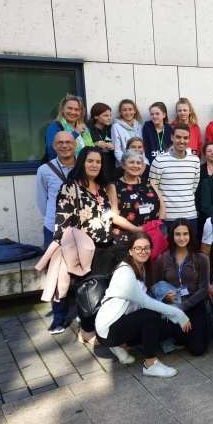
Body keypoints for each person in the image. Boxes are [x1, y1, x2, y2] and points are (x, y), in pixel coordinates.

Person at [53, 147, 136, 340]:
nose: (94, 165)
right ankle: (86, 330)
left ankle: (101, 327)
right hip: (83, 250)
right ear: (82, 162)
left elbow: (110, 216)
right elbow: (62, 223)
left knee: (102, 290)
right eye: (90, 161)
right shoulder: (70, 187)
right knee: (87, 292)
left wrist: (137, 229)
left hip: (105, 247)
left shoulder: (102, 188)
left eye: (98, 162)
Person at [95, 232, 190, 378]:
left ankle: (121, 345)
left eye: (146, 248)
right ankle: (150, 364)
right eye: (138, 248)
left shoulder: (142, 268)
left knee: (160, 323)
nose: (142, 251)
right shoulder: (125, 272)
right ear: (130, 251)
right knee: (151, 315)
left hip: (119, 321)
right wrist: (178, 314)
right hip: (108, 328)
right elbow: (145, 302)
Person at [36, 131, 76, 334]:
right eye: (60, 142)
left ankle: (84, 311)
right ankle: (59, 317)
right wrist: (55, 220)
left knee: (83, 271)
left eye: (68, 142)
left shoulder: (84, 165)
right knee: (56, 273)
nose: (64, 145)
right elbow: (42, 201)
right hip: (54, 230)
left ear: (75, 145)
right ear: (53, 145)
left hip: (80, 229)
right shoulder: (44, 170)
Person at [153, 219, 210, 356]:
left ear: (190, 235)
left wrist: (183, 307)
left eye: (185, 234)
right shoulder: (163, 258)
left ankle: (185, 335)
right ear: (172, 236)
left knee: (198, 349)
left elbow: (204, 289)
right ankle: (175, 335)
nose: (182, 238)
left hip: (194, 304)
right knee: (176, 332)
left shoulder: (201, 258)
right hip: (172, 305)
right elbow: (155, 285)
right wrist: (165, 297)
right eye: (178, 234)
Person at [149, 124, 201, 233]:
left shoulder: (195, 161)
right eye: (178, 137)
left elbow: (193, 187)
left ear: (189, 139)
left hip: (190, 215)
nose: (182, 141)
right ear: (172, 137)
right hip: (167, 218)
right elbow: (153, 188)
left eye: (185, 138)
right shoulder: (159, 161)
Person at [111, 149, 163, 248]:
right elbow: (114, 216)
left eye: (139, 163)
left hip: (152, 236)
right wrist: (138, 230)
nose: (135, 165)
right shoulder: (114, 186)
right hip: (127, 238)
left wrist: (158, 225)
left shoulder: (149, 183)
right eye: (131, 162)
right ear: (123, 165)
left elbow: (162, 204)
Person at [45, 95, 92, 159]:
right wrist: (75, 133)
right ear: (62, 109)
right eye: (70, 108)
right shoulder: (55, 126)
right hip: (63, 165)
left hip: (84, 164)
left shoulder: (84, 128)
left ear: (81, 112)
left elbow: (91, 149)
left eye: (77, 109)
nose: (73, 112)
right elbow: (52, 152)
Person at [112, 99, 143, 168]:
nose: (128, 112)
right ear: (120, 112)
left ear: (135, 111)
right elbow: (117, 150)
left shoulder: (140, 126)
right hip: (124, 166)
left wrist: (143, 164)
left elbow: (143, 148)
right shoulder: (116, 126)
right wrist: (126, 164)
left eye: (130, 109)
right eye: (124, 110)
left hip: (139, 165)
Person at [87, 102, 115, 179]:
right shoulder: (87, 130)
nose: (109, 118)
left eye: (110, 115)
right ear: (96, 116)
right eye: (105, 115)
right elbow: (83, 149)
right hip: (94, 169)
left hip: (110, 168)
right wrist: (96, 144)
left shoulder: (112, 129)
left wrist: (113, 147)